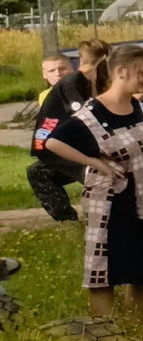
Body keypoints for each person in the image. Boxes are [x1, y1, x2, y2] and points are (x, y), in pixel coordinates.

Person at [40, 44, 143, 328]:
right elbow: (54, 142)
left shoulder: (134, 107)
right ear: (120, 72)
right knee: (104, 272)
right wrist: (95, 163)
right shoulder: (93, 112)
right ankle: (106, 336)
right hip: (113, 204)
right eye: (142, 73)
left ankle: (136, 331)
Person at [23, 48, 90, 224]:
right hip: (64, 152)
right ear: (44, 75)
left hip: (89, 150)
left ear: (73, 68)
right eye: (52, 71)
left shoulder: (80, 88)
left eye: (63, 69)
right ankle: (67, 221)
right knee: (37, 171)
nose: (58, 74)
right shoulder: (45, 97)